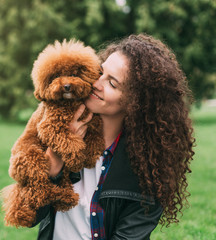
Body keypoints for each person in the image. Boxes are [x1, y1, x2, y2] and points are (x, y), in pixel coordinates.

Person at [32, 34, 195, 240]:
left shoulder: (150, 168)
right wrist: (56, 156)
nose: (97, 83)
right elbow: (31, 216)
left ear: (135, 102)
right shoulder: (56, 130)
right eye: (100, 72)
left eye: (113, 84)